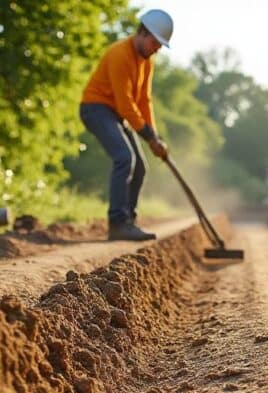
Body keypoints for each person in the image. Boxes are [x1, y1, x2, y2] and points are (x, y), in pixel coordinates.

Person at [80, 10, 173, 241]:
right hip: (96, 108)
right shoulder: (119, 54)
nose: (157, 49)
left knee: (140, 166)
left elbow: (144, 101)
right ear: (143, 32)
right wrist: (149, 137)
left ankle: (128, 222)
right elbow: (125, 104)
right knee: (124, 158)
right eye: (155, 43)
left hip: (116, 113)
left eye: (160, 46)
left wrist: (155, 137)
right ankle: (117, 223)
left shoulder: (147, 62)